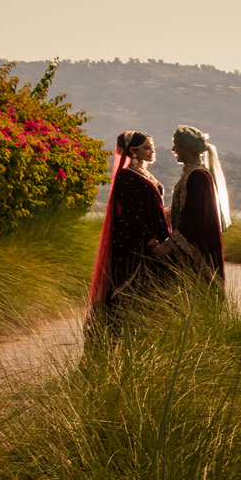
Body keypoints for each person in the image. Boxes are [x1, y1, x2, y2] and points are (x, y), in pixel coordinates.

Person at [87, 130, 171, 332]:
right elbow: (131, 213)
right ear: (133, 150)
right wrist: (150, 241)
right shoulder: (126, 175)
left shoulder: (146, 174)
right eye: (146, 147)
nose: (152, 150)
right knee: (132, 291)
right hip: (138, 243)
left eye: (151, 146)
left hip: (158, 235)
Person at [167, 124, 228, 282]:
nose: (173, 150)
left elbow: (196, 218)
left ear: (187, 148)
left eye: (177, 145)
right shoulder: (191, 173)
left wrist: (170, 245)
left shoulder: (198, 176)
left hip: (197, 250)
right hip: (190, 247)